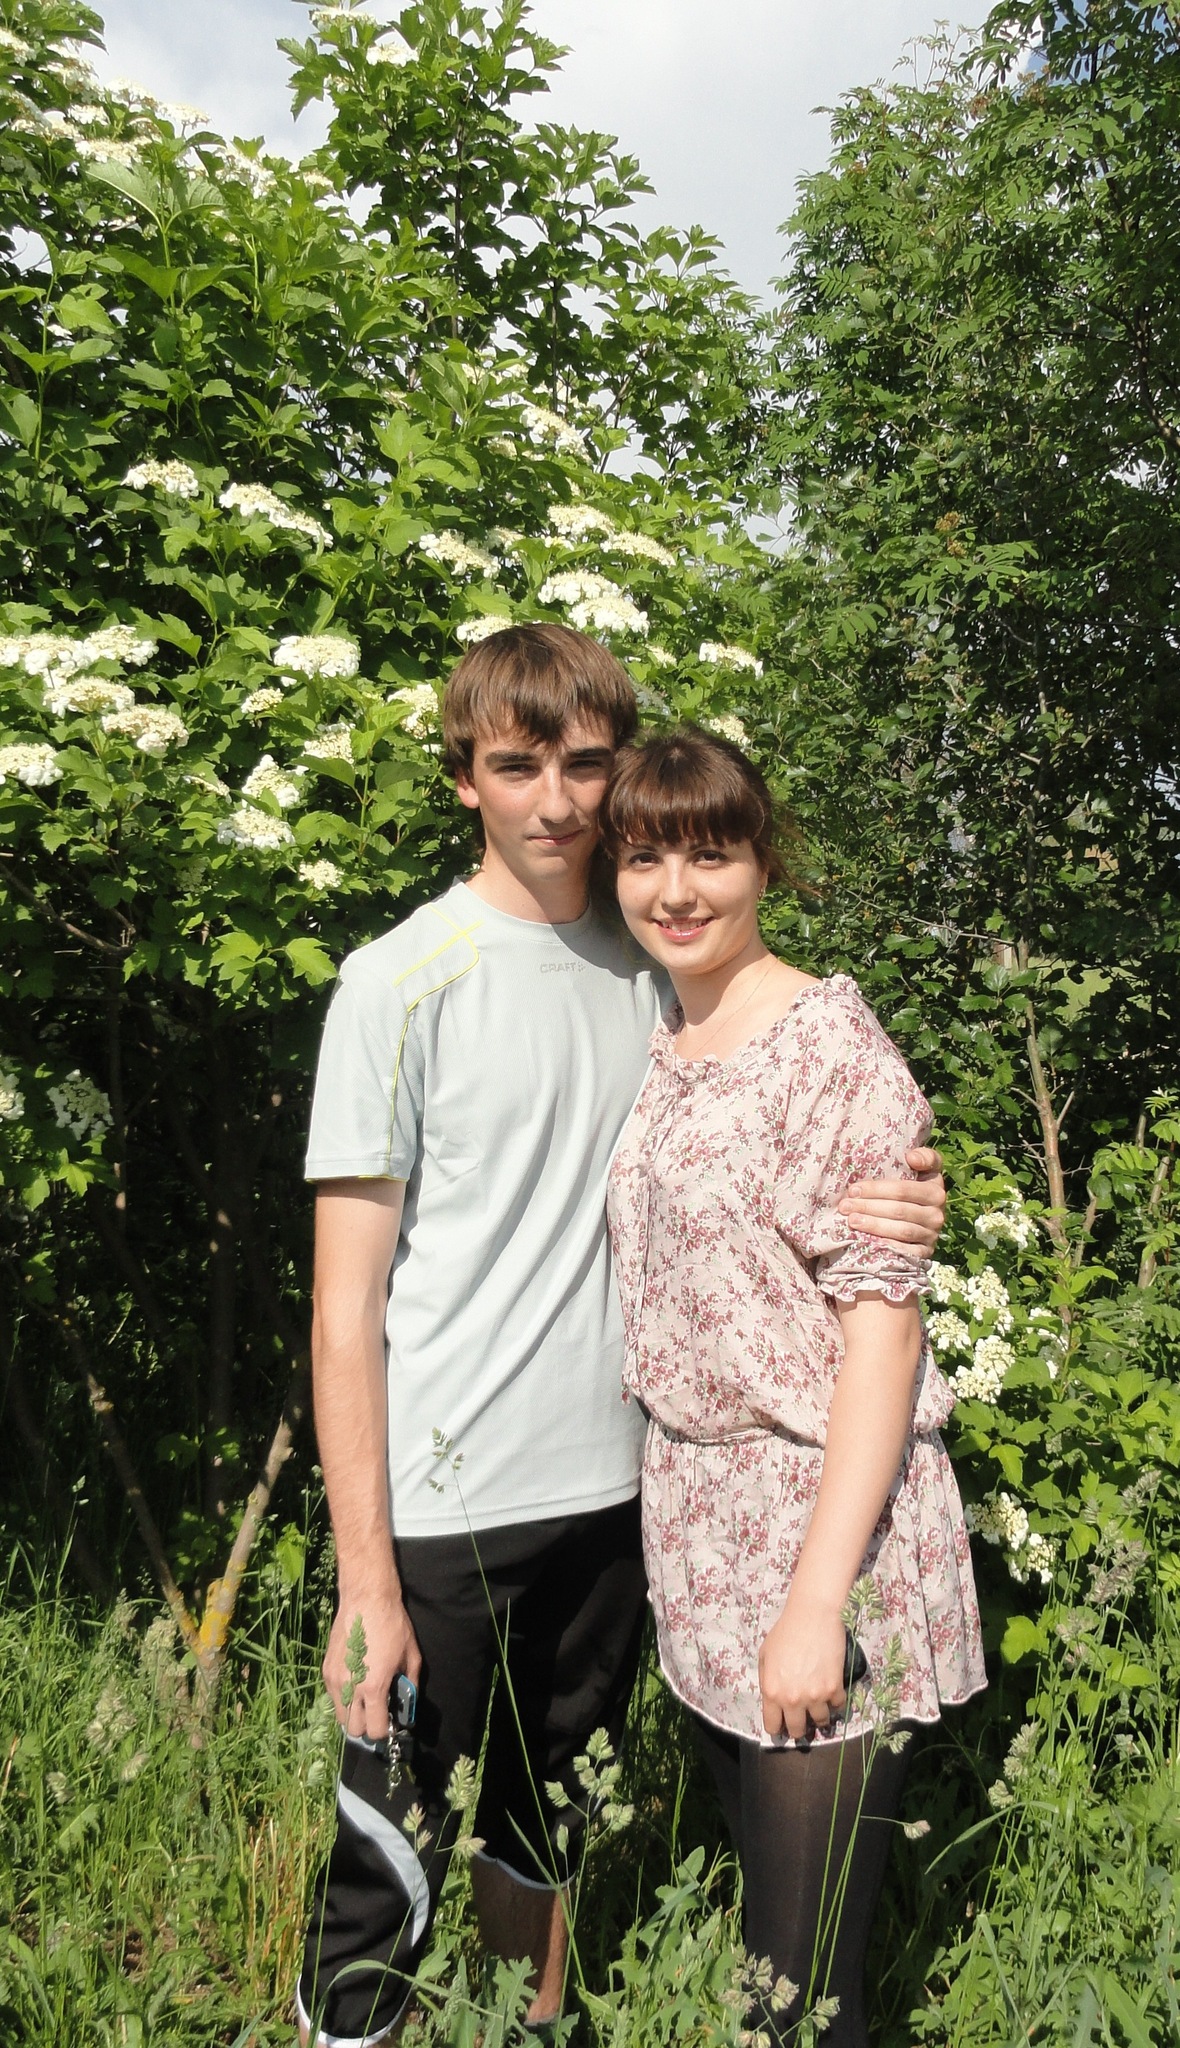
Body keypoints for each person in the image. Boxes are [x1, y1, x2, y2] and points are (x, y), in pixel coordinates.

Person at [295, 627, 951, 2047]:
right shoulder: (396, 983)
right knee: (386, 1863)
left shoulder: (653, 963)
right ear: (463, 778)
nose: (556, 802)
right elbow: (344, 1309)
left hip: (618, 1500)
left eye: (585, 766)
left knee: (543, 1830)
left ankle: (537, 2030)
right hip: (445, 1510)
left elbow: (811, 1153)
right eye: (515, 767)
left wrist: (902, 1202)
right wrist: (364, 1573)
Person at [601, 727, 986, 2048]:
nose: (676, 891)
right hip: (702, 1529)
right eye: (644, 858)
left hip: (820, 1528)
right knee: (775, 1955)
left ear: (767, 863)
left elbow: (882, 1340)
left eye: (711, 855)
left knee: (801, 1998)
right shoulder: (668, 1029)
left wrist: (817, 1605)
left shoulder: (833, 1053)